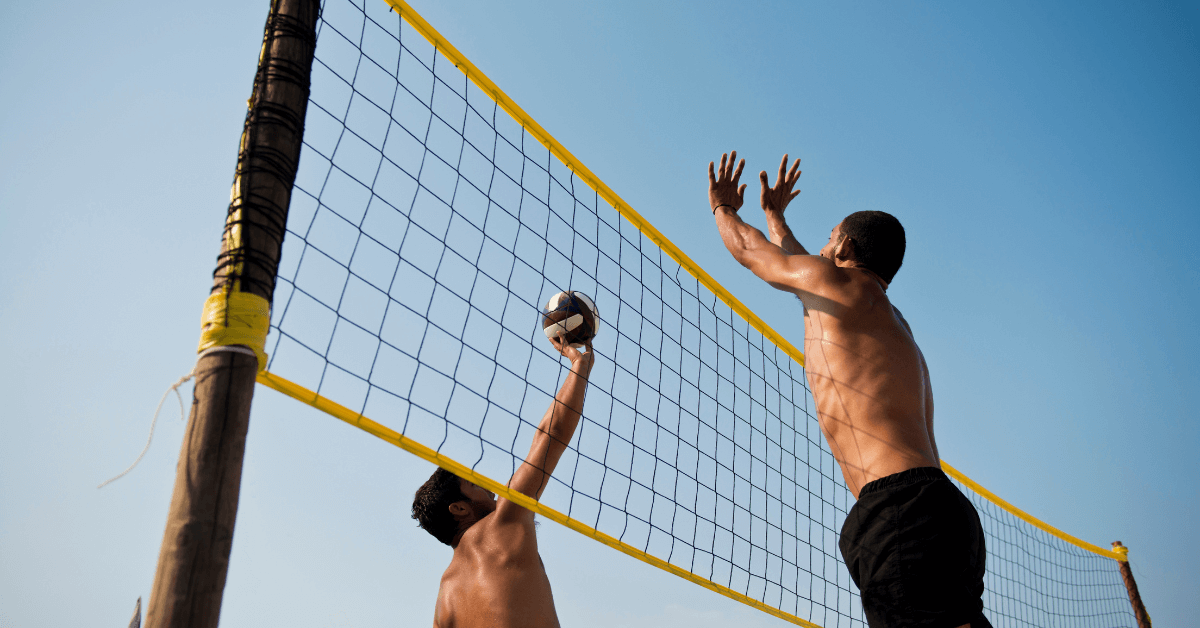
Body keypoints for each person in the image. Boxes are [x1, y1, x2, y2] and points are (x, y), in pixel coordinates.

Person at [708, 151, 991, 628]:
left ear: (844, 248)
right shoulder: (888, 319)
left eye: (829, 237)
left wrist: (723, 208)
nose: (820, 248)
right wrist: (776, 217)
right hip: (941, 513)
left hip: (900, 512)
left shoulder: (839, 287)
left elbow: (755, 255)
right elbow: (803, 268)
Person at [411, 337, 595, 628]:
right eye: (474, 484)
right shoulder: (502, 521)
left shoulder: (444, 598)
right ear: (459, 508)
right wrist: (579, 366)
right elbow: (550, 435)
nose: (489, 486)